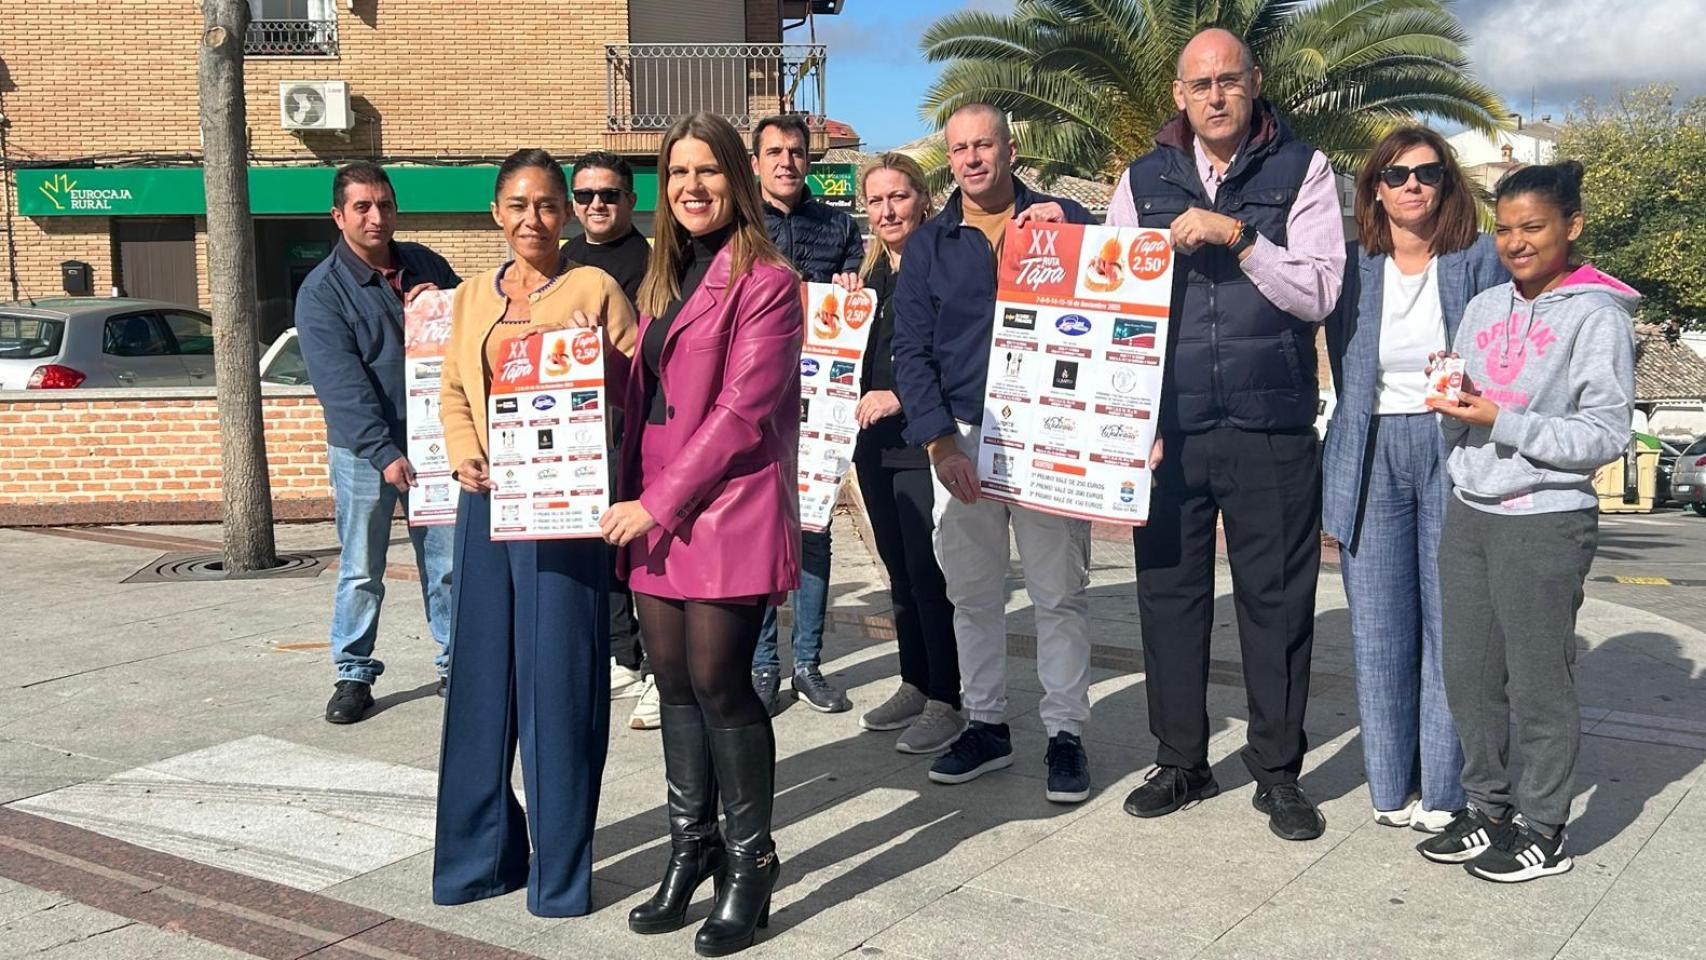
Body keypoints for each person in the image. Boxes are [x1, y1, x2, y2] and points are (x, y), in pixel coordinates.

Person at [1110, 29, 1346, 841]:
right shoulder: (1141, 181)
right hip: (1168, 433)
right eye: (1199, 83)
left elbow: (1318, 292)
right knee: (1168, 599)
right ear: (1178, 94)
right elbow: (1110, 309)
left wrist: (1239, 237)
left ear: (1255, 84)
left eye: (1229, 81)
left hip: (1270, 424)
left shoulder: (1304, 171)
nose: (1215, 95)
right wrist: (1128, 421)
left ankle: (1277, 773)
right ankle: (1181, 760)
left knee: (1277, 606)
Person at [602, 112, 802, 955]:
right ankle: (694, 847)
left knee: (722, 681)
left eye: (709, 171)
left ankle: (752, 862)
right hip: (657, 508)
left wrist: (656, 503)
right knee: (674, 680)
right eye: (678, 172)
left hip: (724, 508)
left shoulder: (768, 279)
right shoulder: (662, 277)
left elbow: (739, 414)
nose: (692, 187)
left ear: (738, 180)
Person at [431, 149, 637, 918]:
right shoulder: (469, 298)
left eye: (549, 205)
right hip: (488, 506)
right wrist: (464, 455)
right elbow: (454, 390)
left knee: (558, 688)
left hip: (565, 508)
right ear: (496, 212)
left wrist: (603, 357)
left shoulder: (594, 286)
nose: (534, 219)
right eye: (519, 204)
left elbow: (642, 385)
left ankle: (559, 875)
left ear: (568, 213)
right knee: (482, 686)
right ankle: (478, 859)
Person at [1418, 161, 1636, 883]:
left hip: (1545, 519)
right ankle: (1487, 810)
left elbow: (1605, 433)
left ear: (1570, 227)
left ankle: (1544, 827)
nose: (1516, 242)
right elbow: (1471, 409)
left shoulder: (1598, 315)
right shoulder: (1482, 307)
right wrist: (1454, 408)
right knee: (1468, 677)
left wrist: (1499, 418)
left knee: (1539, 682)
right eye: (1505, 228)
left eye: (1533, 227)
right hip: (1470, 510)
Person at [892, 102, 1098, 804]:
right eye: (960, 149)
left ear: (1011, 150)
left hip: (1048, 437)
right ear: (948, 161)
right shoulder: (929, 244)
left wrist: (1073, 236)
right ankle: (985, 724)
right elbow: (911, 350)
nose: (974, 158)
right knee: (972, 595)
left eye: (985, 145)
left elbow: (1116, 299)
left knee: (1057, 594)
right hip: (965, 437)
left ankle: (1066, 735)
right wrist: (939, 441)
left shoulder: (1065, 219)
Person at [1322, 127, 1506, 833]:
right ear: (1374, 187)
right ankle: (1388, 785)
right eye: (1396, 174)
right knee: (1377, 629)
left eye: (1427, 174)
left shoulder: (1478, 258)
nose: (1411, 186)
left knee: (1448, 623)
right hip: (1368, 446)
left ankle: (1444, 790)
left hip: (1451, 443)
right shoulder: (1350, 266)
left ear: (1447, 184)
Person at [294, 161, 460, 723]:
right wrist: (382, 452)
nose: (376, 217)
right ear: (338, 216)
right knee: (362, 567)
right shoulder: (322, 292)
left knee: (444, 563)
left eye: (384, 205)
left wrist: (447, 304)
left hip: (435, 443)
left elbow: (469, 337)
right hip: (364, 454)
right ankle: (352, 672)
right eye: (362, 207)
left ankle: (455, 664)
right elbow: (339, 383)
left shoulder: (426, 264)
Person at [843, 153, 964, 754]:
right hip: (873, 448)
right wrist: (843, 312)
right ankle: (914, 683)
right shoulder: (869, 280)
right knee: (898, 572)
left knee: (928, 572)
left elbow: (954, 354)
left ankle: (948, 698)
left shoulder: (941, 266)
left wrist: (900, 396)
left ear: (922, 198)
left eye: (898, 197)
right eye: (876, 200)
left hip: (924, 441)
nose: (887, 210)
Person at [749, 113, 866, 716]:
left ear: (807, 160)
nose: (786, 162)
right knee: (762, 536)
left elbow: (856, 307)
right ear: (756, 162)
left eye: (795, 152)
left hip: (822, 404)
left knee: (814, 533)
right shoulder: (739, 228)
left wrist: (850, 288)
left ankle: (808, 665)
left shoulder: (840, 226)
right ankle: (764, 665)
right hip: (754, 401)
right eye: (774, 152)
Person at [564, 151, 660, 732]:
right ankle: (623, 657)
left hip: (636, 427)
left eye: (608, 194)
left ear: (630, 200)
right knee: (599, 552)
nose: (595, 204)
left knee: (641, 552)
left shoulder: (652, 264)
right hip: (573, 434)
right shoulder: (560, 261)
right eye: (584, 196)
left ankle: (657, 672)